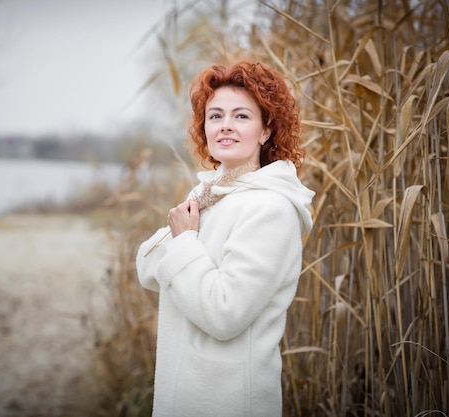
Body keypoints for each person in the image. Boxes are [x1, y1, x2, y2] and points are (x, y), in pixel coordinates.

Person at [135, 60, 315, 417]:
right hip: (184, 396)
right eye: (215, 116)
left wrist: (184, 242)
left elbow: (225, 313)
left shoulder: (271, 208)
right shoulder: (210, 194)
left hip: (228, 400)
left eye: (242, 116)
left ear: (266, 131)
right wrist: (186, 233)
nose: (225, 126)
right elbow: (147, 266)